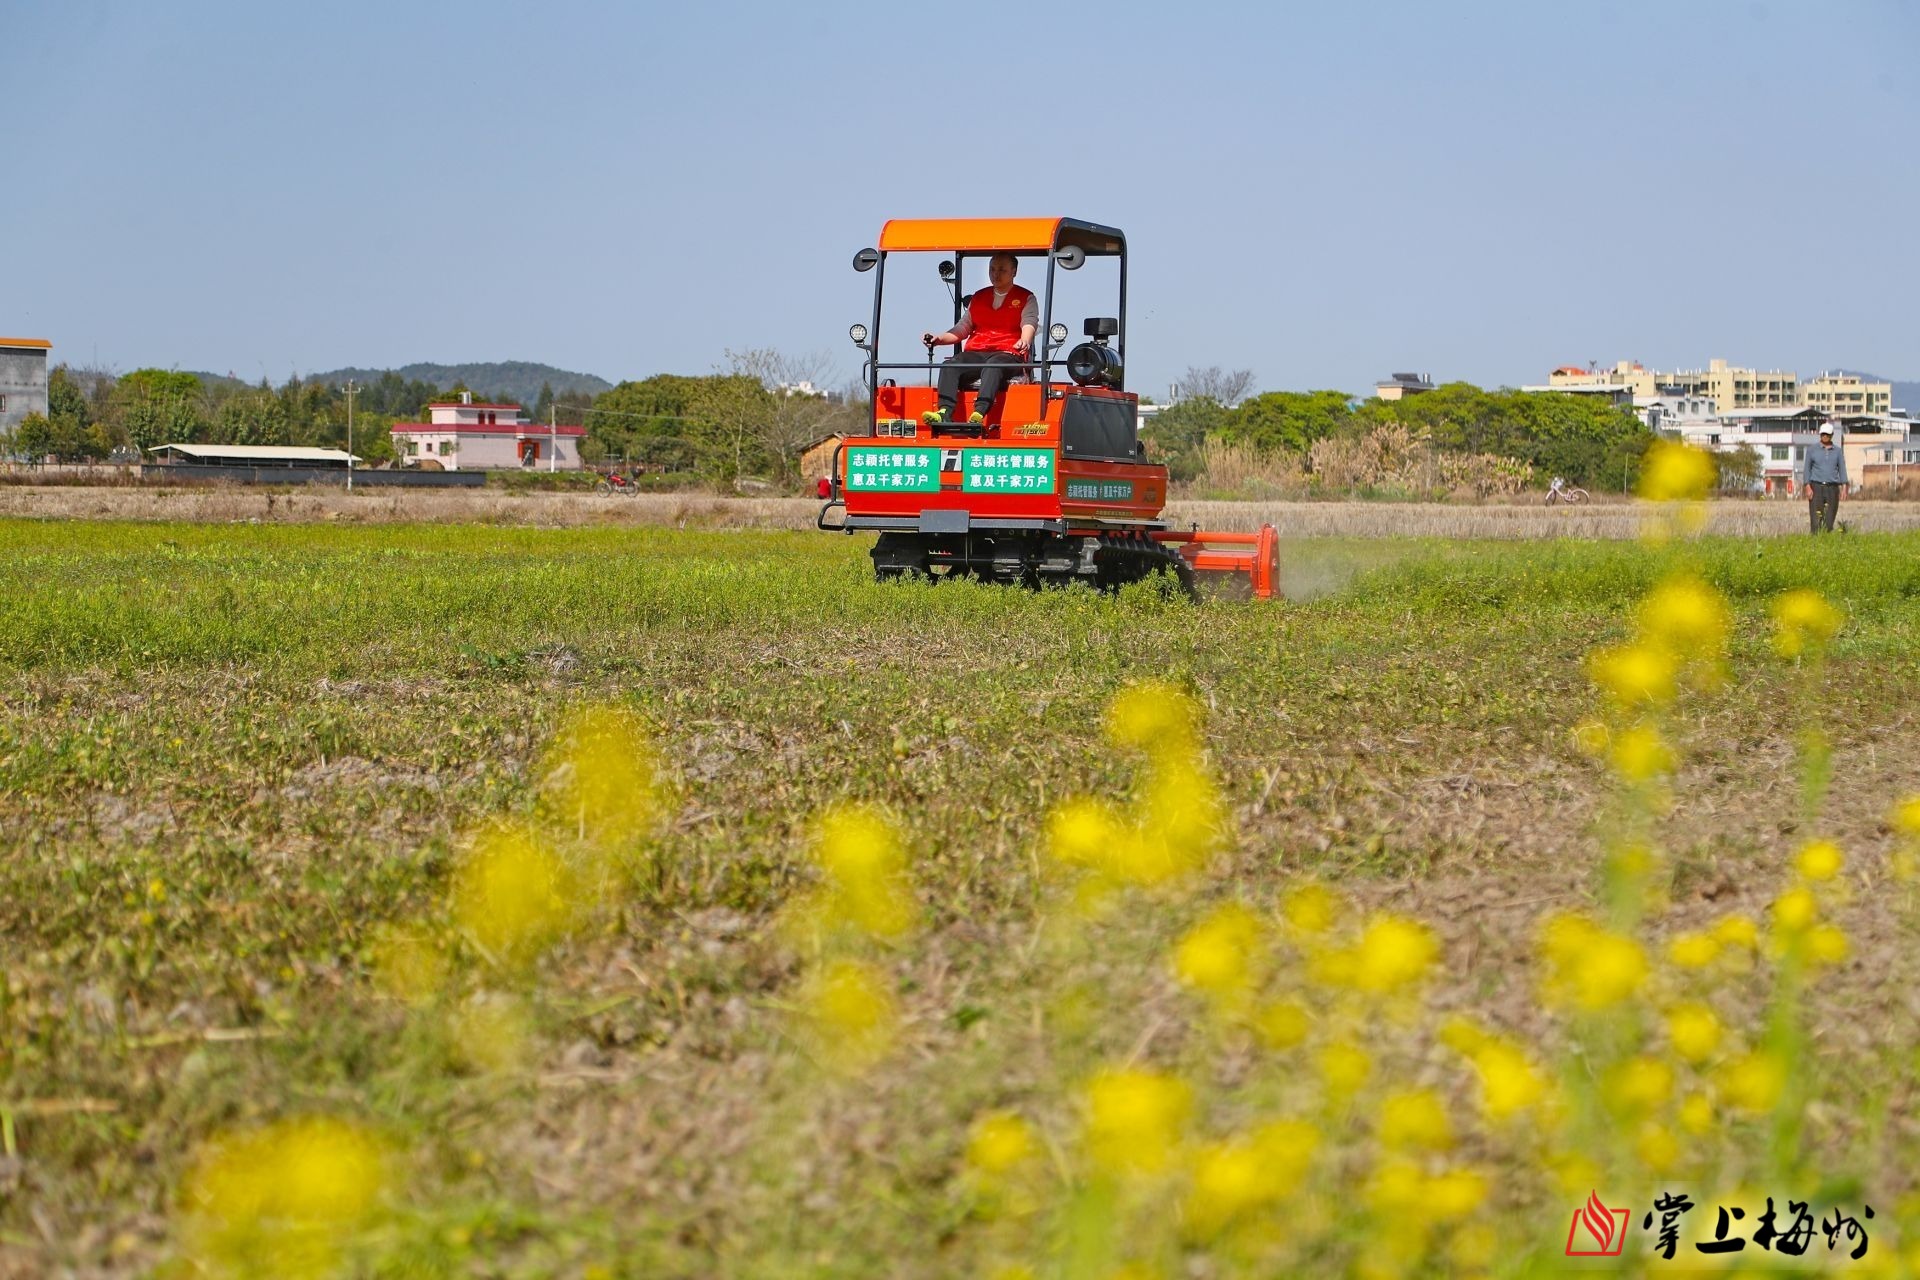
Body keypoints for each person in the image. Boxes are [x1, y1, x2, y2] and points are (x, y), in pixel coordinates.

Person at [920, 252, 1037, 430]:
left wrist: (1025, 340)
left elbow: (1029, 322)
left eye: (1002, 270)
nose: (995, 274)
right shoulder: (979, 297)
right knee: (951, 364)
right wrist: (939, 339)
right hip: (977, 351)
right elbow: (962, 328)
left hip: (1008, 353)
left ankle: (979, 412)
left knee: (994, 364)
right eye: (992, 269)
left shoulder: (1026, 298)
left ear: (1014, 271)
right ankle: (944, 412)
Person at [1802, 423, 1848, 534]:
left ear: (1831, 435)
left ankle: (1826, 541)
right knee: (1816, 519)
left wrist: (1844, 488)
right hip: (1816, 487)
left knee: (1829, 519)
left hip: (1832, 488)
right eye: (1823, 434)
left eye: (1827, 434)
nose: (1825, 436)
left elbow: (1842, 469)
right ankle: (1815, 543)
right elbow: (1807, 469)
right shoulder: (1812, 450)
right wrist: (1807, 486)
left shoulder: (1837, 451)